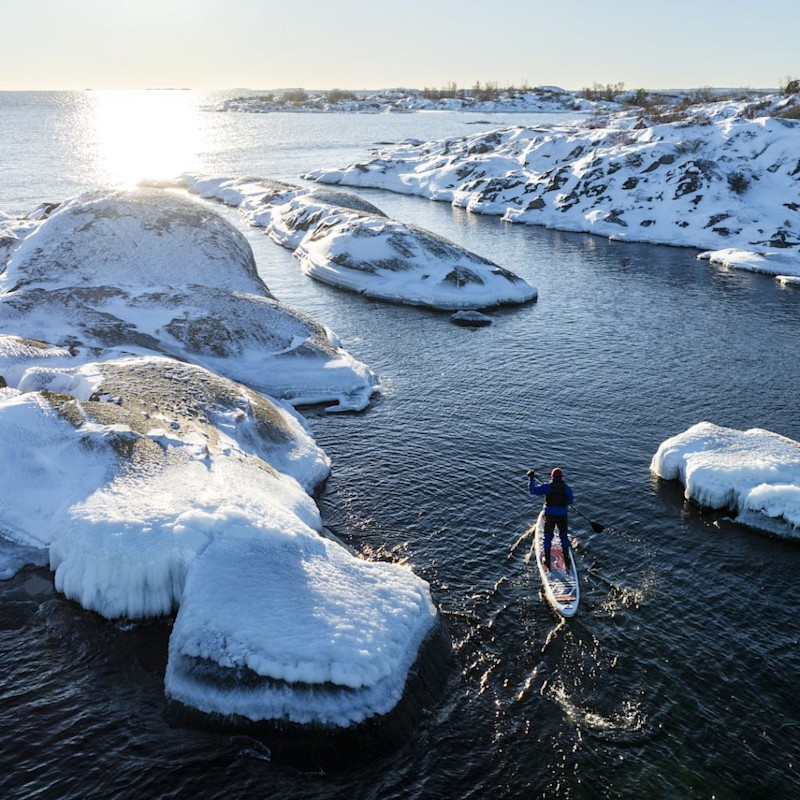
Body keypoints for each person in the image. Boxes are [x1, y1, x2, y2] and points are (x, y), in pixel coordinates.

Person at [526, 467, 574, 571]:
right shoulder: (566, 488)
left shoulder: (547, 487)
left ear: (552, 476)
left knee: (547, 537)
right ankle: (566, 561)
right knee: (563, 537)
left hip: (550, 516)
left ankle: (547, 562)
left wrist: (531, 478)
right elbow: (570, 501)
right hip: (562, 516)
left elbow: (533, 490)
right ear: (561, 477)